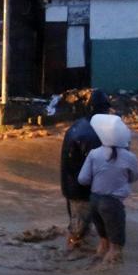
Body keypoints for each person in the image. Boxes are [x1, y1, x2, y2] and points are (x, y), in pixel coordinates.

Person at [77, 114, 138, 266]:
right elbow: (134, 177)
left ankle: (93, 266)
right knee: (116, 246)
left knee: (103, 241)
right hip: (112, 203)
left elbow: (83, 179)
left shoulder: (94, 154)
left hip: (94, 200)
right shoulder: (130, 157)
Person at [60, 90, 112, 250]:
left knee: (80, 224)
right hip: (83, 190)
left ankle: (76, 249)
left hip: (71, 186)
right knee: (78, 231)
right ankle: (68, 257)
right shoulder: (96, 133)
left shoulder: (78, 125)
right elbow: (96, 166)